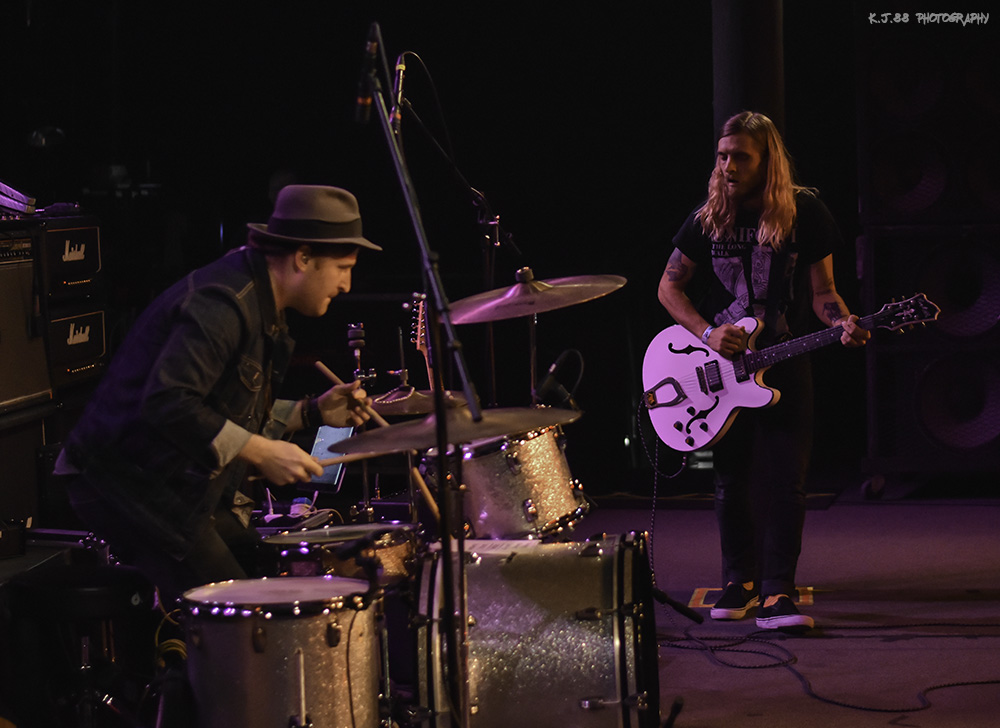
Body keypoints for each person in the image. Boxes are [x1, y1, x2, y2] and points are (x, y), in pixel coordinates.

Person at [57, 185, 380, 607]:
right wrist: (263, 452)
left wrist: (312, 411)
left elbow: (223, 411)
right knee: (243, 612)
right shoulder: (223, 304)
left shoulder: (261, 300)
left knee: (266, 579)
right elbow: (168, 402)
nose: (346, 285)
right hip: (122, 482)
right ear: (302, 258)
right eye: (341, 267)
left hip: (176, 481)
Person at [657, 111, 869, 630]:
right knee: (730, 478)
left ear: (766, 160)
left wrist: (842, 322)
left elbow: (823, 295)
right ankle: (738, 581)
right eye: (722, 155)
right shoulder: (708, 216)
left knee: (785, 480)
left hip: (783, 357)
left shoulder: (804, 211)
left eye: (740, 157)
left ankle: (778, 592)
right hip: (721, 368)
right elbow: (668, 288)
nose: (728, 165)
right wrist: (707, 333)